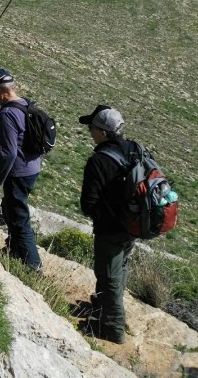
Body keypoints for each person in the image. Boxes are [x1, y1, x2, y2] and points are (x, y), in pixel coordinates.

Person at [78, 105, 136, 344]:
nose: (90, 131)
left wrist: (101, 216)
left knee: (108, 274)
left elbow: (88, 203)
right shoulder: (134, 148)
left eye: (92, 128)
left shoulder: (99, 160)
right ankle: (107, 305)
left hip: (111, 228)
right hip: (134, 223)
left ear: (103, 132)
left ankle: (112, 328)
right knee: (120, 267)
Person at [0, 67, 42, 271]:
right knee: (12, 211)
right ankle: (15, 250)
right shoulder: (24, 104)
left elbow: (8, 154)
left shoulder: (7, 113)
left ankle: (33, 266)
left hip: (17, 173)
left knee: (19, 219)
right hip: (32, 168)